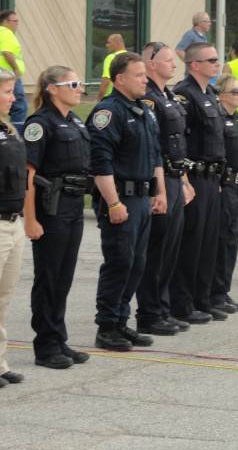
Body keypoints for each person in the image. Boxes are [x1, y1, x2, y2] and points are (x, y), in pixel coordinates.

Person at [87, 52, 166, 351]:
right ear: (120, 78)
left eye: (145, 74)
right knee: (119, 263)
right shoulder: (108, 112)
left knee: (136, 264)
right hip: (121, 198)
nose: (145, 79)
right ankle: (107, 327)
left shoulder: (143, 110)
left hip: (142, 198)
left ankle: (121, 321)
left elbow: (155, 154)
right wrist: (113, 203)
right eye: (139, 75)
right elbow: (100, 162)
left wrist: (158, 192)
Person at [23, 67, 91, 369]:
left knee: (63, 278)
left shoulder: (74, 120)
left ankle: (58, 338)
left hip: (74, 206)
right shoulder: (40, 123)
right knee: (49, 277)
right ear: (53, 88)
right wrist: (30, 219)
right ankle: (45, 345)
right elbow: (28, 174)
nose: (80, 89)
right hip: (51, 209)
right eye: (73, 84)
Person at [135, 42, 194, 337]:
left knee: (171, 249)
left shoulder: (169, 96)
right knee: (156, 250)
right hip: (158, 180)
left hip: (173, 177)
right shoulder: (148, 99)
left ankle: (163, 307)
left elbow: (178, 143)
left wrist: (183, 181)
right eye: (168, 60)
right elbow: (154, 146)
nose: (174, 64)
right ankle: (149, 312)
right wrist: (160, 187)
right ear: (151, 64)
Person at [171, 42, 227, 324]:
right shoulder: (185, 94)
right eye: (212, 59)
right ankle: (182, 303)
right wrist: (184, 179)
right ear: (195, 65)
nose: (218, 63)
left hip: (211, 176)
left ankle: (202, 300)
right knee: (191, 242)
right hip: (194, 176)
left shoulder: (211, 94)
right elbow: (179, 141)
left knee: (208, 242)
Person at [210, 74, 238, 314]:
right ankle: (214, 293)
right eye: (235, 91)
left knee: (232, 240)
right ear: (222, 95)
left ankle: (223, 290)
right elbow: (217, 155)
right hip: (222, 186)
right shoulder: (218, 120)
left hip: (236, 185)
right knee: (220, 240)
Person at [0, 69, 26, 387]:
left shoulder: (8, 129)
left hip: (12, 222)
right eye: (7, 91)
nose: (14, 98)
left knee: (4, 297)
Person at [0, 11, 27, 131]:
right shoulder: (6, 33)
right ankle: (15, 134)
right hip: (8, 75)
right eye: (14, 21)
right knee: (19, 107)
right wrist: (16, 68)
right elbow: (6, 52)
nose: (17, 24)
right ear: (5, 22)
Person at [97, 34, 127, 100]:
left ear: (117, 43)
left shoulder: (111, 58)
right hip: (127, 98)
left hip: (111, 98)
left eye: (109, 42)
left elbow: (106, 82)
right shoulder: (131, 57)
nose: (106, 45)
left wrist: (99, 100)